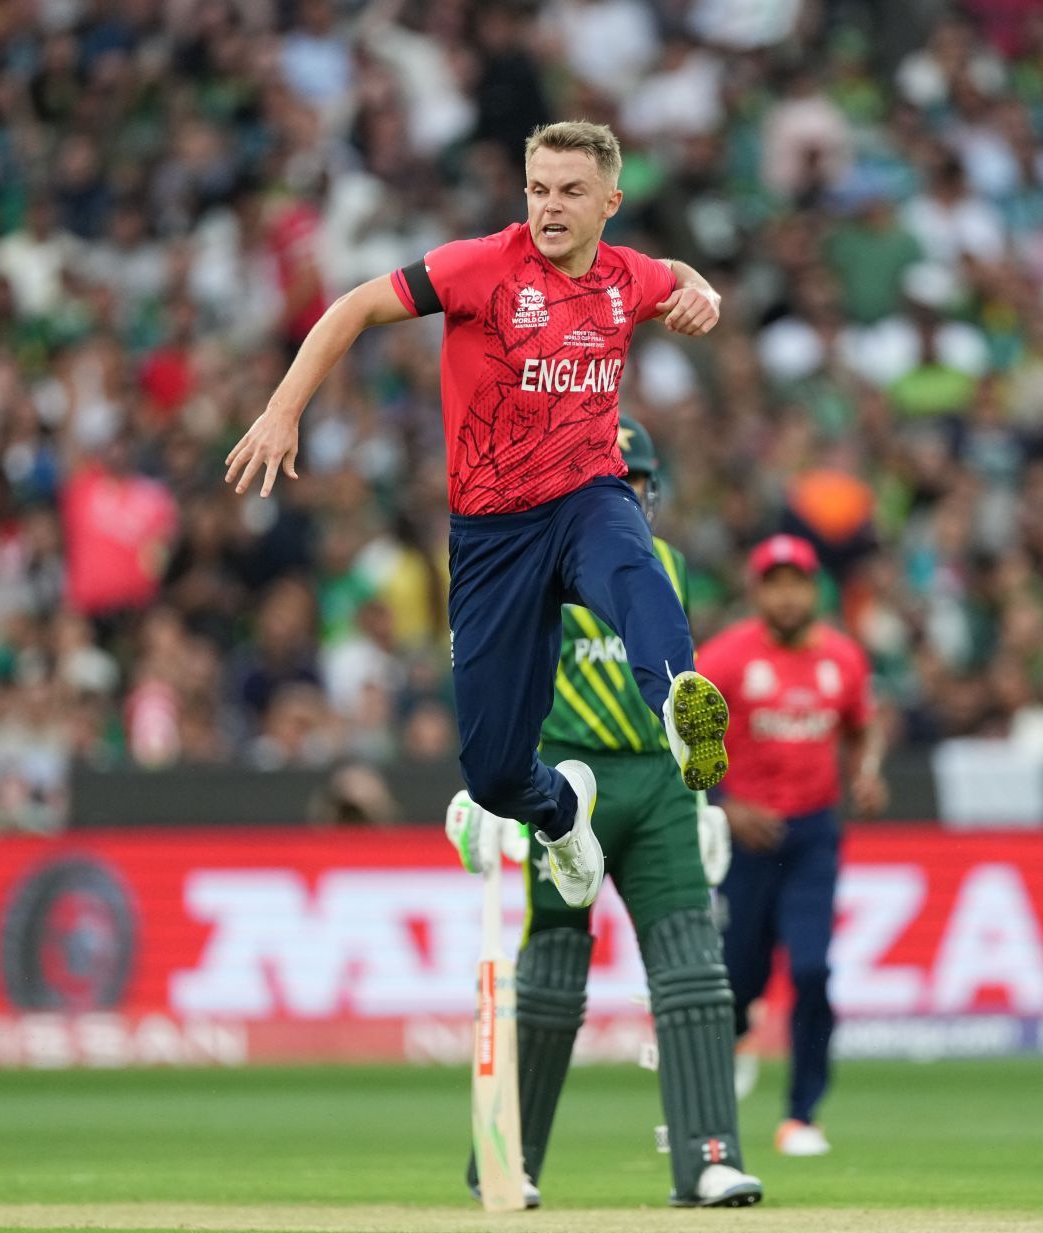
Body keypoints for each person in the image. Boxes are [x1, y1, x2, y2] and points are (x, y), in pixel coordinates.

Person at [225, 120, 731, 912]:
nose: (550, 207)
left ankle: (678, 703)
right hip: (494, 536)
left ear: (610, 202)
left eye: (570, 192)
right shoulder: (480, 267)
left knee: (636, 562)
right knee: (494, 774)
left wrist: (704, 294)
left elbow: (677, 274)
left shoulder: (626, 277)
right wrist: (283, 411)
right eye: (538, 189)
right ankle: (562, 815)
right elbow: (356, 305)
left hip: (587, 496)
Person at [450, 418, 761, 1209]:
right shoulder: (528, 554)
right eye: (615, 482)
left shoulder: (670, 565)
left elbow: (680, 699)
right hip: (566, 777)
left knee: (694, 970)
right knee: (552, 977)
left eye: (636, 485)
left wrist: (701, 802)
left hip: (658, 787)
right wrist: (486, 792)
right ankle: (506, 1159)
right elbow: (488, 674)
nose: (627, 497)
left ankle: (708, 1159)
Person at [696, 534, 887, 1157]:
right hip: (744, 840)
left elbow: (863, 726)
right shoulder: (723, 659)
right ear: (757, 592)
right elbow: (684, 741)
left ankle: (802, 1114)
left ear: (813, 590)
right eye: (773, 584)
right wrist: (726, 803)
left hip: (811, 834)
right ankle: (735, 1043)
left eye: (796, 583)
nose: (785, 596)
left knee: (812, 969)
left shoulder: (843, 659)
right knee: (740, 978)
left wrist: (866, 771)